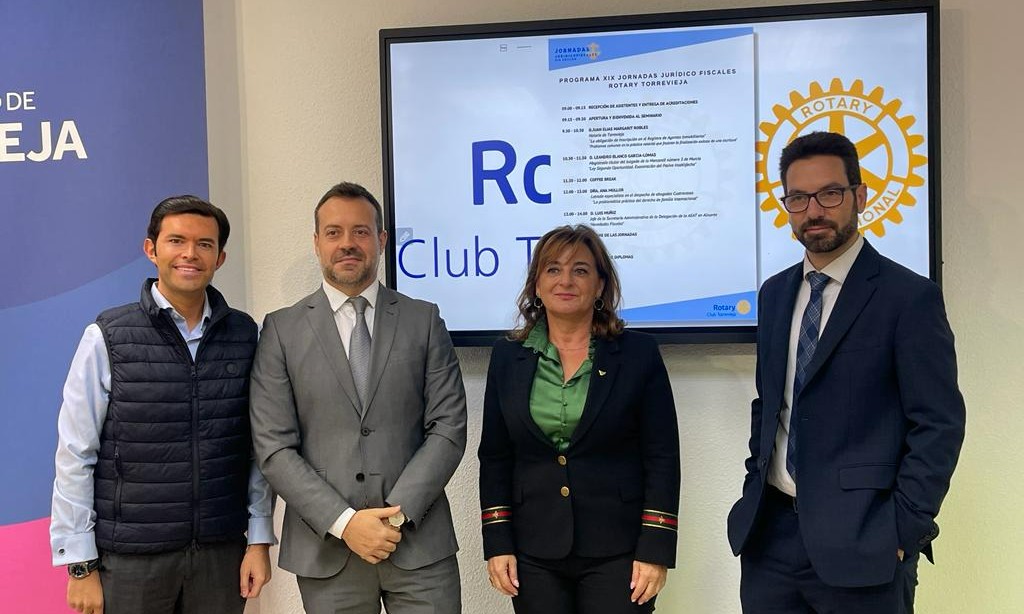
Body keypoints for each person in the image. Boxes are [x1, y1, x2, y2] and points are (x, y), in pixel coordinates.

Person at [727, 131, 966, 613]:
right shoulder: (774, 294)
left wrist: (902, 529)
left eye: (830, 194)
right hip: (771, 541)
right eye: (798, 198)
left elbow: (938, 424)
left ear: (860, 195)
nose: (813, 211)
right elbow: (769, 404)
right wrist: (756, 480)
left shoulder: (908, 297)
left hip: (865, 545)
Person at [249, 181, 467, 613]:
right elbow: (273, 446)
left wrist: (394, 517)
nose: (347, 243)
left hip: (418, 545)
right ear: (316, 242)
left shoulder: (423, 320)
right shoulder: (281, 330)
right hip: (328, 550)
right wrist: (346, 523)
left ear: (381, 240)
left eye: (361, 231)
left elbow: (448, 428)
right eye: (334, 232)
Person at [50, 195, 274, 614]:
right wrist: (80, 565)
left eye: (204, 244)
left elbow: (259, 448)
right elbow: (76, 453)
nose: (190, 254)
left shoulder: (245, 335)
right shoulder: (108, 336)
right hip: (130, 561)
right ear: (151, 249)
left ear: (220, 258)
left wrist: (259, 539)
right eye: (176, 241)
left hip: (220, 555)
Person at [478, 225, 680, 614]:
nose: (566, 280)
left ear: (600, 285)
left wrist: (656, 547)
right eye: (553, 269)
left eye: (581, 270)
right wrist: (497, 540)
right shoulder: (507, 357)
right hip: (534, 550)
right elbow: (495, 456)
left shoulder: (638, 354)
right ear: (537, 285)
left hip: (619, 549)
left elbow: (662, 457)